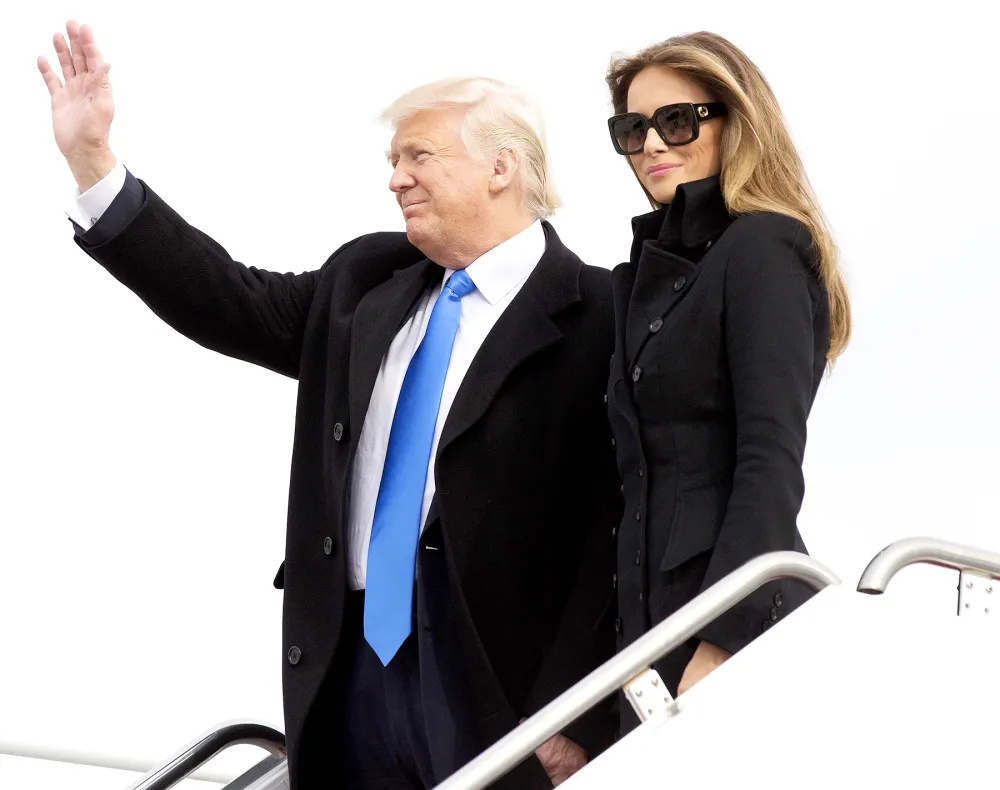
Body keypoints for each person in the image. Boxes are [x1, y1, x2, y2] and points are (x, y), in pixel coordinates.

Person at [36, 20, 621, 789]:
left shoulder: (602, 314)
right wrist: (93, 162)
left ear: (501, 167)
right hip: (347, 668)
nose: (396, 179)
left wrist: (573, 711)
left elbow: (611, 530)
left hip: (496, 681)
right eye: (393, 161)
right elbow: (225, 299)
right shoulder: (365, 283)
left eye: (419, 156)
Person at [603, 31, 851, 731]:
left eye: (676, 120)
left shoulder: (764, 247)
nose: (652, 144)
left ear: (733, 121)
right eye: (632, 128)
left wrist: (722, 640)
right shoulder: (641, 280)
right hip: (644, 640)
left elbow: (769, 460)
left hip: (729, 630)